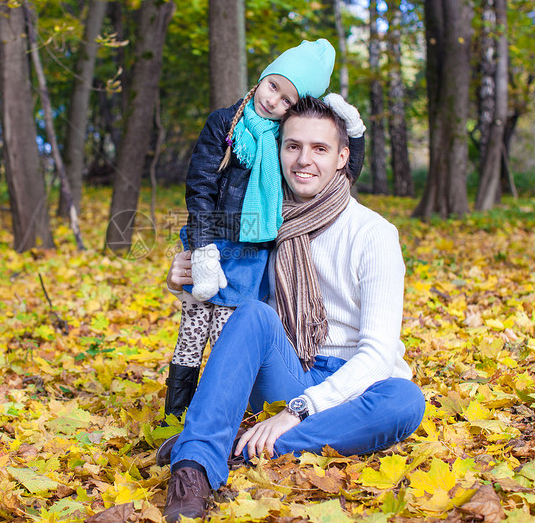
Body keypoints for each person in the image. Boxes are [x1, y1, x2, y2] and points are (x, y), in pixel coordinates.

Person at [161, 96, 426, 522]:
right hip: (283, 367)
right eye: (292, 146)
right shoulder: (262, 220)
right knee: (253, 314)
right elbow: (227, 298)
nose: (304, 160)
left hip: (351, 384)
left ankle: (233, 443)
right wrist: (184, 284)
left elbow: (377, 355)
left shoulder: (373, 233)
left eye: (319, 149)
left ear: (342, 157)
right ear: (278, 150)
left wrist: (297, 411)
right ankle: (192, 469)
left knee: (405, 400)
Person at [165, 38, 367, 423]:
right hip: (208, 241)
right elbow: (200, 184)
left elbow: (346, 168)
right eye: (273, 86)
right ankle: (173, 416)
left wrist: (353, 130)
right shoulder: (226, 123)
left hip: (250, 254)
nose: (274, 101)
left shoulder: (284, 143)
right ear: (262, 77)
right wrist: (204, 249)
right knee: (192, 329)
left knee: (227, 335)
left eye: (288, 99)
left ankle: (218, 413)